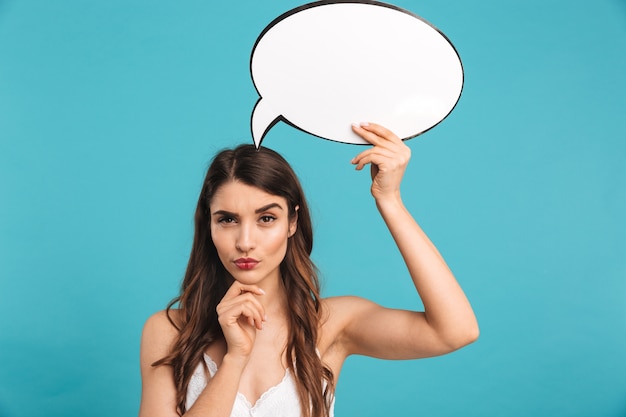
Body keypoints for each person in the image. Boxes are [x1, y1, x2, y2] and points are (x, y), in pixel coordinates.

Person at [138, 123, 479, 417]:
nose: (245, 241)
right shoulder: (168, 331)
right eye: (227, 220)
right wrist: (234, 359)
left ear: (292, 222)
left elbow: (456, 330)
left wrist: (389, 199)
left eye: (266, 218)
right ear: (208, 225)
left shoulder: (330, 325)